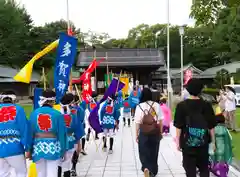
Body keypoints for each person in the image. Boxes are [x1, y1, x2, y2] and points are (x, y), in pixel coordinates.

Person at [174, 78, 217, 177]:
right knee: (204, 168)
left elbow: (178, 126)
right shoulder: (206, 105)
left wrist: (177, 142)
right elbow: (211, 126)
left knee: (189, 169)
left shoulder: (182, 106)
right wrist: (213, 142)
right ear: (201, 90)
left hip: (187, 142)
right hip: (203, 142)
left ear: (188, 89)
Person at [28, 90, 68, 177]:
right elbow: (62, 134)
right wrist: (64, 150)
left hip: (37, 147)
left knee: (40, 174)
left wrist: (29, 149)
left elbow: (29, 133)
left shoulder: (34, 113)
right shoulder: (58, 114)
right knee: (52, 173)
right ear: (52, 101)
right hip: (53, 147)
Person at [0, 91, 30, 177]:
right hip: (15, 148)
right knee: (21, 173)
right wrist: (27, 148)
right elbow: (24, 129)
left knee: (2, 174)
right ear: (14, 99)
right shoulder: (19, 109)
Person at [134, 88, 163, 177]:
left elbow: (137, 122)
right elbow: (160, 121)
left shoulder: (139, 106)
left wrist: (136, 134)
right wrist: (160, 132)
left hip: (144, 132)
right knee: (154, 151)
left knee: (143, 151)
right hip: (154, 131)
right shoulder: (157, 105)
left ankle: (146, 167)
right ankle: (153, 170)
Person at [58, 93, 84, 177]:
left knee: (57, 164)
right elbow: (77, 127)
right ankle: (72, 170)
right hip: (70, 140)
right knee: (67, 163)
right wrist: (78, 141)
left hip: (57, 140)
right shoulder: (73, 112)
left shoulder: (56, 112)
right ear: (71, 102)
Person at [209, 106, 232, 177]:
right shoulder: (225, 129)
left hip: (214, 148)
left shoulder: (213, 129)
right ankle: (222, 172)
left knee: (214, 161)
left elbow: (209, 139)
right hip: (223, 149)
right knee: (222, 162)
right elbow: (230, 138)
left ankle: (214, 169)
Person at [70, 95, 86, 176]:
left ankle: (70, 167)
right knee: (77, 149)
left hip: (67, 132)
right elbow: (81, 119)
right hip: (76, 131)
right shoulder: (80, 109)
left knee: (69, 149)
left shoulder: (65, 110)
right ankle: (73, 167)